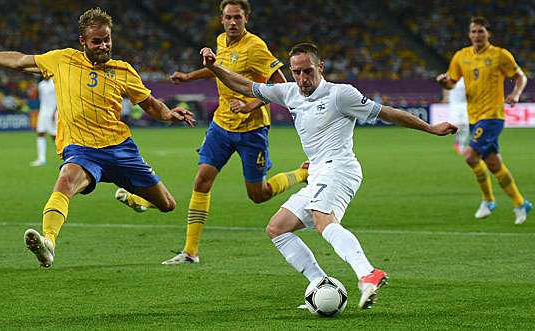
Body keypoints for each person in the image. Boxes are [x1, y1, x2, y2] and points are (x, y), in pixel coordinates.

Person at [199, 42, 457, 309]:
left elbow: (388, 113)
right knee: (277, 228)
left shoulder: (341, 94)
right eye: (296, 72)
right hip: (318, 172)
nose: (302, 78)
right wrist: (214, 67)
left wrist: (430, 128)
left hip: (340, 168)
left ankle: (368, 273)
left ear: (320, 67)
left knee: (324, 220)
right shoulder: (289, 93)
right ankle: (320, 283)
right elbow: (246, 86)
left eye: (307, 71)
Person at [0, 7, 195, 268]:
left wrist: (169, 114)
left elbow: (151, 105)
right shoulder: (62, 60)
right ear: (83, 42)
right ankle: (48, 243)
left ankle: (135, 200)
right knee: (65, 182)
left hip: (121, 149)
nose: (103, 45)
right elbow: (19, 60)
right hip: (82, 150)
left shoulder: (123, 71)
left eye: (107, 40)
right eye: (96, 41)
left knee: (167, 204)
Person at [117, 0, 309, 265]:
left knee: (259, 194)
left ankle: (302, 174)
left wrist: (252, 105)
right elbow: (216, 69)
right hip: (221, 125)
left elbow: (282, 86)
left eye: (237, 17)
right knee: (202, 181)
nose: (232, 22)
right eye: (228, 17)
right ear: (221, 19)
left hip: (252, 130)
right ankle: (190, 252)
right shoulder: (220, 42)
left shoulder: (255, 46)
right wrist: (188, 76)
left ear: (246, 19)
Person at [436, 16, 531, 224]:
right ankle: (520, 202)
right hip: (474, 117)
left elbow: (521, 76)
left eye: (481, 31)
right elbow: (451, 83)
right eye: (474, 31)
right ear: (469, 34)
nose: (477, 35)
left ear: (488, 34)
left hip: (492, 117)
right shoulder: (461, 56)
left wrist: (515, 94)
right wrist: (444, 82)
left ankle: (488, 200)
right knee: (495, 164)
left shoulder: (500, 55)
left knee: (470, 156)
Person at [30, 77, 57, 167]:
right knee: (40, 133)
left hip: (52, 112)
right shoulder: (41, 85)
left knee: (55, 136)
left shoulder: (54, 83)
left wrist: (55, 112)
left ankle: (67, 156)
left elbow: (59, 98)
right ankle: (41, 159)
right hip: (43, 112)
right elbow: (40, 98)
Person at [441, 77, 469, 155]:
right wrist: (445, 98)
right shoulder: (451, 75)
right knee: (457, 125)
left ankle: (462, 145)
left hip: (465, 104)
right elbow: (445, 86)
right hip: (454, 104)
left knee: (466, 126)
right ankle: (457, 143)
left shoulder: (468, 75)